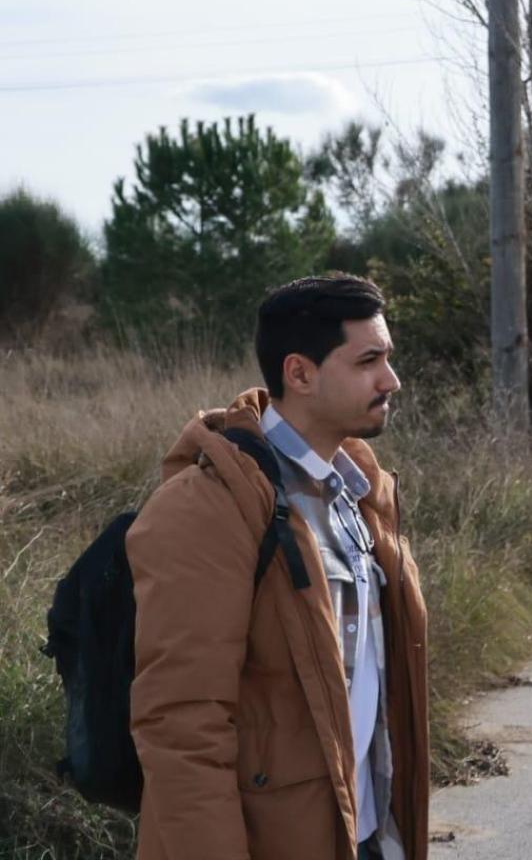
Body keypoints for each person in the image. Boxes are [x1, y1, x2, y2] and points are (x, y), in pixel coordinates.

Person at [127, 274, 429, 860]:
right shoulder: (210, 508)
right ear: (300, 373)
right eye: (368, 360)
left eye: (387, 358)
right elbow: (182, 725)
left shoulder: (359, 493)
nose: (390, 380)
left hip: (366, 837)